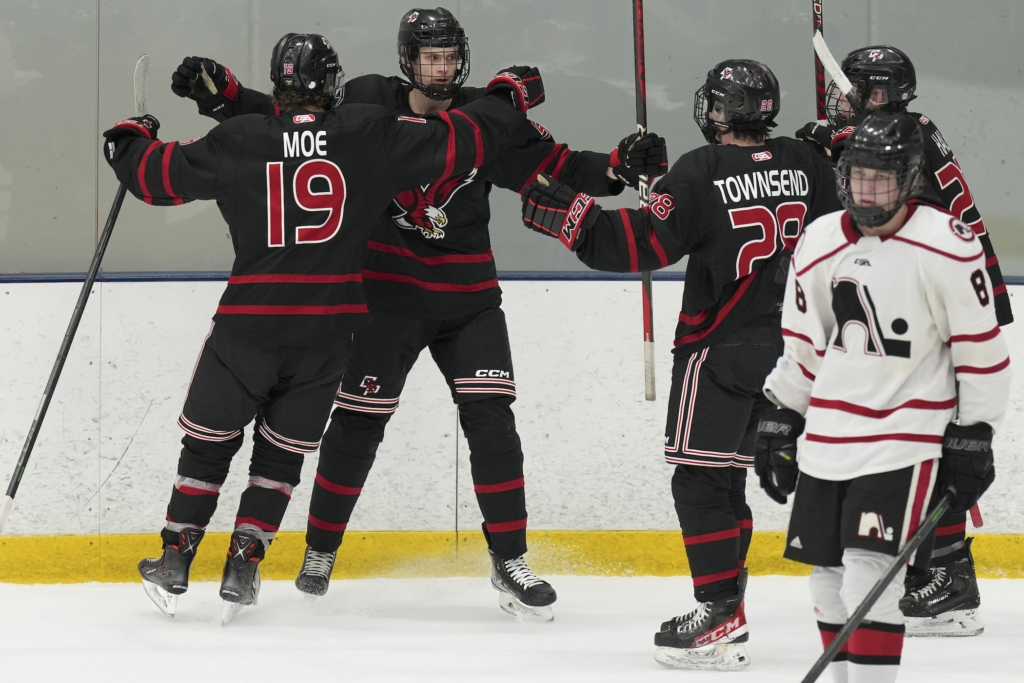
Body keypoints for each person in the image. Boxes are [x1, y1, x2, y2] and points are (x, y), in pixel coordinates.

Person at [167, 7, 660, 622]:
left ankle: (510, 558)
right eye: (431, 57)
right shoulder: (369, 104)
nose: (443, 68)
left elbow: (558, 167)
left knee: (493, 423)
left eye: (451, 57)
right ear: (407, 59)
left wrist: (620, 164)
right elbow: (297, 129)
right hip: (385, 302)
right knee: (357, 427)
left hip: (470, 302)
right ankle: (321, 548)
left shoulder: (484, 113)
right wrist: (230, 98)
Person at [104, 32, 540, 622]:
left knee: (208, 445)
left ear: (276, 87)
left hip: (248, 327)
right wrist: (504, 101)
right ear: (333, 85)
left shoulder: (240, 138)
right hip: (327, 333)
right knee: (280, 456)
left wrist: (130, 138)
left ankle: (177, 557)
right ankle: (244, 562)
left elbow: (153, 179)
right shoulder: (365, 134)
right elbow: (462, 139)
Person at [520, 59, 841, 668]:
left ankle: (719, 610)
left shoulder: (699, 170)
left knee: (700, 478)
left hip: (717, 350)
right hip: (793, 352)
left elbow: (643, 243)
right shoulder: (806, 163)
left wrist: (573, 217)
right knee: (727, 477)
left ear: (718, 112)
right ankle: (730, 607)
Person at [757, 111, 1010, 683]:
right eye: (860, 177)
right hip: (827, 435)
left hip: (905, 434)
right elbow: (805, 345)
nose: (868, 191)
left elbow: (980, 345)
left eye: (883, 179)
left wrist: (976, 431)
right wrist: (780, 413)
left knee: (870, 574)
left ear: (911, 178)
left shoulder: (947, 243)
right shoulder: (819, 241)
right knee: (824, 577)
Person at [797, 46, 1012, 636]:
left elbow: (892, 204)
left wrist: (833, 144)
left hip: (940, 309)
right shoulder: (914, 130)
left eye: (854, 91)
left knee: (930, 446)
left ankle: (947, 579)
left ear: (879, 94)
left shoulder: (903, 139)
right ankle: (938, 577)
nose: (843, 101)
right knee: (924, 444)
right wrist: (841, 136)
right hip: (948, 298)